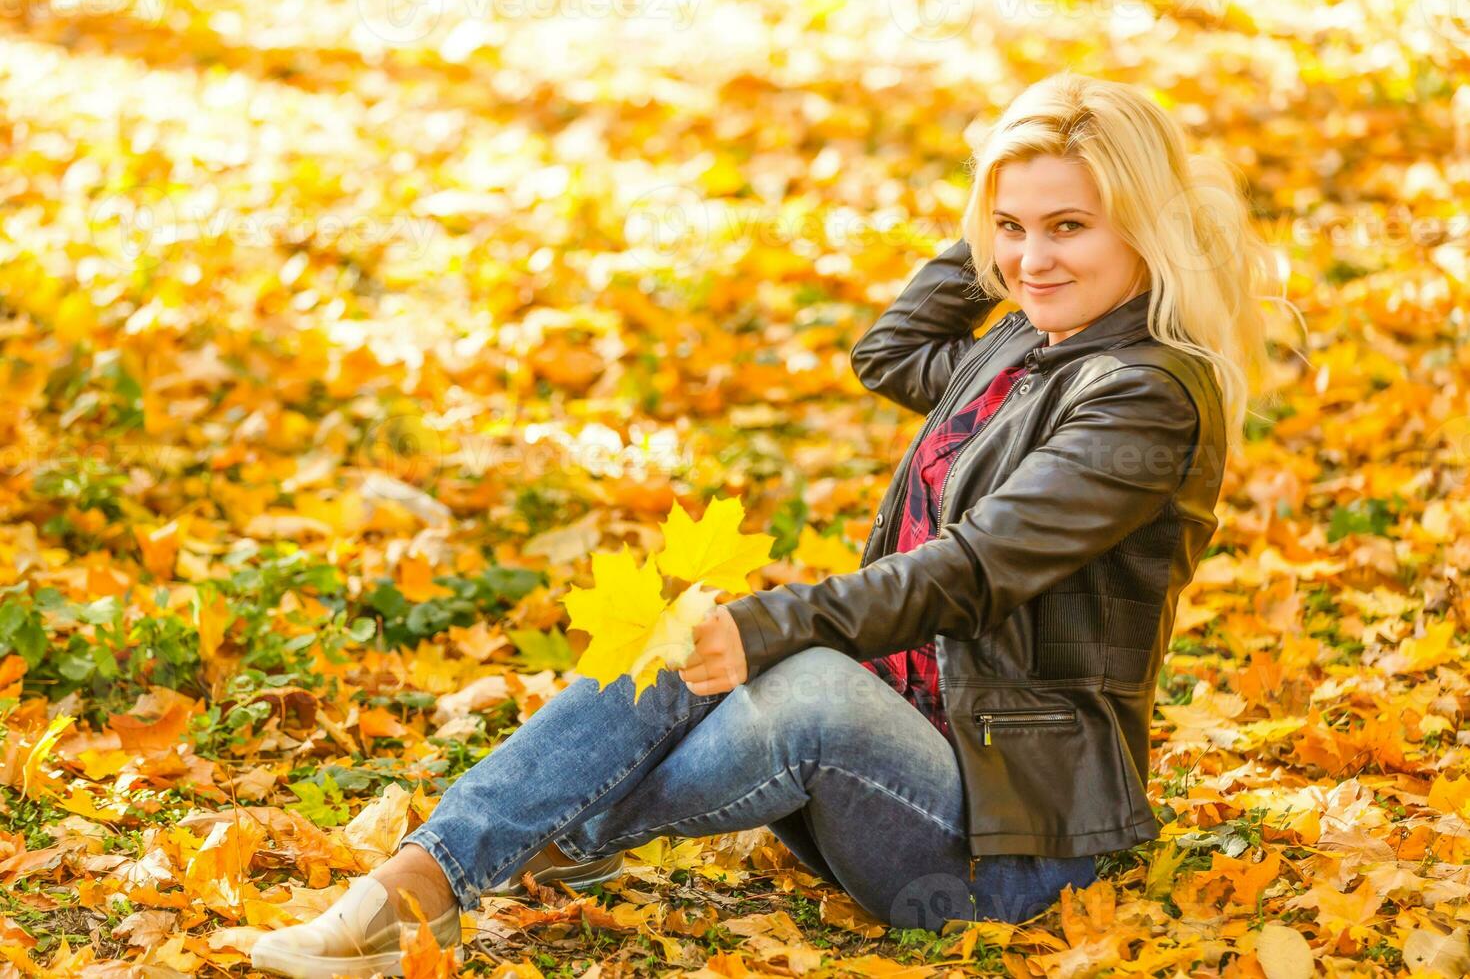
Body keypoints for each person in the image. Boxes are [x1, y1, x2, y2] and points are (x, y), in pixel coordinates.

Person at [251, 70, 1282, 978]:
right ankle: (428, 874)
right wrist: (1013, 240)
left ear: (1146, 227)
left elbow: (971, 570)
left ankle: (470, 859)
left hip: (1012, 843)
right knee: (685, 628)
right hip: (919, 754)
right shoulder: (1024, 342)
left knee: (801, 676)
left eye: (1072, 226)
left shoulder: (1146, 397)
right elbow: (890, 349)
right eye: (1011, 226)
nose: (1031, 259)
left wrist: (770, 626)